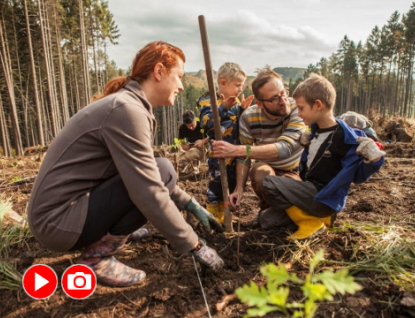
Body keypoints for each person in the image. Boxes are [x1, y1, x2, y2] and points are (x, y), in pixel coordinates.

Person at [27, 41, 224, 288]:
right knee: (163, 171)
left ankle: (112, 234)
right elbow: (149, 189)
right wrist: (194, 244)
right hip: (58, 222)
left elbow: (144, 170)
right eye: (179, 77)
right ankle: (97, 258)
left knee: (161, 169)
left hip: (62, 214)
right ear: (159, 71)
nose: (182, 85)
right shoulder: (126, 110)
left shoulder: (128, 106)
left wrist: (189, 204)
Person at [258, 73, 385, 239]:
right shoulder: (315, 132)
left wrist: (375, 159)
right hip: (310, 192)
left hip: (324, 198)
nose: (299, 113)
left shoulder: (344, 137)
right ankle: (317, 220)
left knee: (268, 182)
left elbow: (359, 175)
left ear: (318, 105)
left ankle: (311, 223)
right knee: (265, 221)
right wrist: (308, 144)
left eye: (302, 108)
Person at [212, 66, 306, 225]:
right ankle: (270, 209)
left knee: (289, 194)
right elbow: (244, 158)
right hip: (268, 167)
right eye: (274, 98)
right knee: (261, 174)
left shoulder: (298, 108)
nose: (283, 101)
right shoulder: (249, 117)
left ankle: (275, 215)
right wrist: (239, 188)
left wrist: (237, 149)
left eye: (283, 93)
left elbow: (285, 149)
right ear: (260, 104)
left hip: (294, 170)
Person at [198, 62, 254, 223]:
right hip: (218, 154)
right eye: (238, 85)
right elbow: (206, 122)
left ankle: (223, 216)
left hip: (234, 153)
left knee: (229, 185)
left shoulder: (235, 103)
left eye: (242, 85)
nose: (241, 89)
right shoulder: (207, 99)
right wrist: (222, 107)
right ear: (223, 83)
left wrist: (242, 109)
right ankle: (211, 218)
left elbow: (237, 126)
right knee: (215, 188)